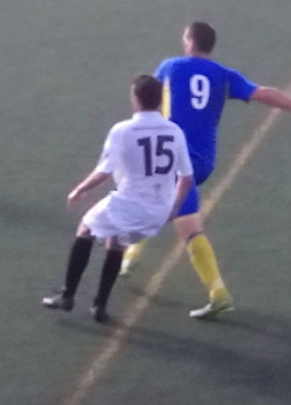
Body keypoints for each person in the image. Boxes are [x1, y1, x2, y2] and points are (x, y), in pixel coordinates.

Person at [119, 21, 291, 319]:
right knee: (160, 194)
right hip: (204, 162)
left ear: (190, 42)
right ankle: (131, 256)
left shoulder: (170, 66)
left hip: (175, 159)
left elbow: (147, 101)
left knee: (185, 224)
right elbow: (264, 93)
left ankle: (217, 292)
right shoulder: (223, 75)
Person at [43, 74, 194, 323]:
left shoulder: (123, 130)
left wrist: (79, 189)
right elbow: (186, 177)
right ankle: (99, 306)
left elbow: (104, 170)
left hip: (130, 203)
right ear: (159, 101)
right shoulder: (175, 130)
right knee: (116, 242)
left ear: (135, 99)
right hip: (159, 210)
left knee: (85, 228)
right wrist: (174, 208)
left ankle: (68, 295)